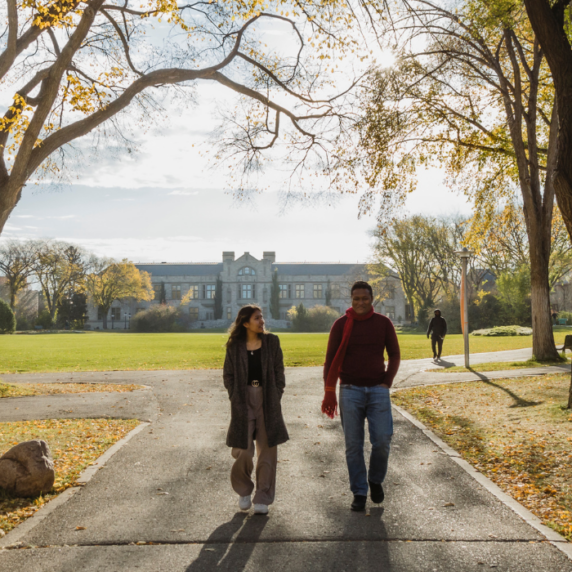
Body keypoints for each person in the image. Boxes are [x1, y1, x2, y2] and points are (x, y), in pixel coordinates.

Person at [322, 281, 401, 512]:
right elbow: (330, 359)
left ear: (372, 299)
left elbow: (394, 355)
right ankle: (359, 491)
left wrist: (387, 381)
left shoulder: (383, 323)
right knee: (353, 446)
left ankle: (375, 480)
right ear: (351, 300)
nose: (360, 303)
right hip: (350, 390)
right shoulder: (340, 325)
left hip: (378, 389)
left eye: (364, 298)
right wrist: (329, 390)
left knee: (382, 441)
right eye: (356, 299)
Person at [223, 305, 289, 515]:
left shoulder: (272, 342)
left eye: (262, 317)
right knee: (244, 450)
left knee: (267, 450)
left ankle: (263, 496)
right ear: (245, 323)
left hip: (268, 399)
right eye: (257, 318)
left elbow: (279, 370)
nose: (262, 321)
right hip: (243, 400)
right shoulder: (234, 346)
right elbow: (228, 375)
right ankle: (244, 489)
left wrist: (277, 393)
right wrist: (234, 396)